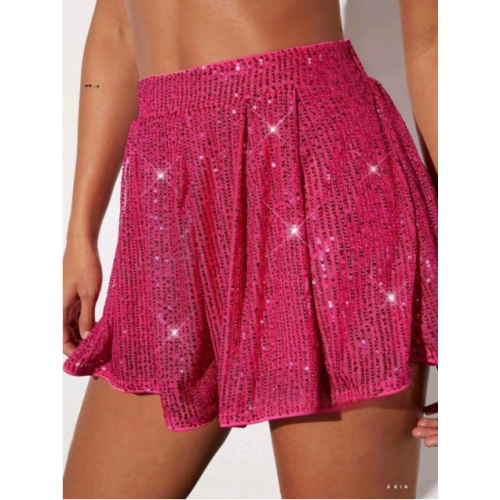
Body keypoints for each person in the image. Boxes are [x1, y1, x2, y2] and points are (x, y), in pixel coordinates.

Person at [63, 1, 438, 498]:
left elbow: (434, 45)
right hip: (172, 212)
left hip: (321, 188)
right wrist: (80, 231)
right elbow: (116, 27)